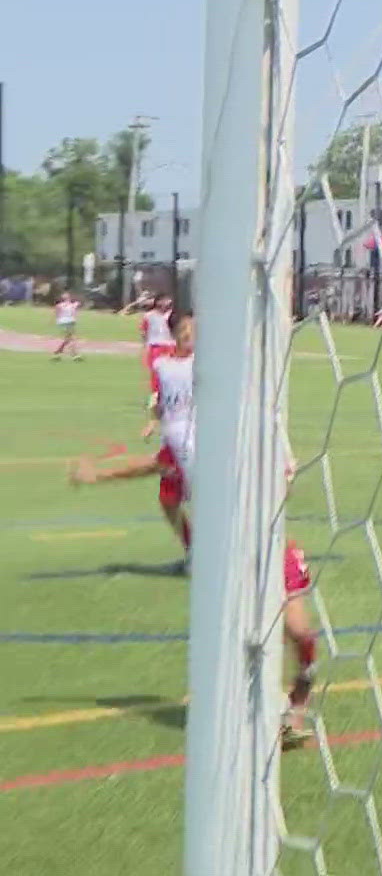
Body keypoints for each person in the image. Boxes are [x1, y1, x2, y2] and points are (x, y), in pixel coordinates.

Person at [67, 311, 319, 748]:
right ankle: (246, 705)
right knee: (232, 632)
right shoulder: (187, 435)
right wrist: (98, 476)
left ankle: (297, 702)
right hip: (228, 551)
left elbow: (285, 479)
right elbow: (152, 464)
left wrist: (278, 475)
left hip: (271, 544)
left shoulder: (258, 422)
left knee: (301, 634)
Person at [138, 294, 176, 405]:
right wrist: (145, 345)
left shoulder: (172, 315)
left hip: (170, 346)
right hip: (156, 346)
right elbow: (144, 332)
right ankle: (156, 396)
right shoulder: (149, 316)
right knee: (156, 374)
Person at [51, 291, 82, 361]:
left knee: (67, 339)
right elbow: (57, 314)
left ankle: (58, 352)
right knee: (72, 338)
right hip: (66, 323)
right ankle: (74, 355)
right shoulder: (64, 305)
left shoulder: (71, 305)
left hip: (68, 323)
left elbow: (57, 314)